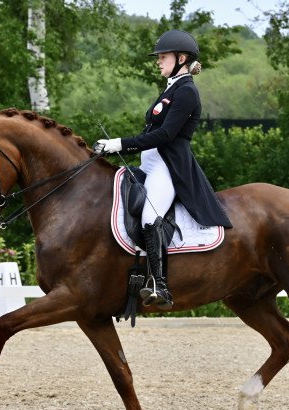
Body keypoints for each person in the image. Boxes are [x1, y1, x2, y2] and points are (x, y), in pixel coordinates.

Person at [94, 29, 232, 310]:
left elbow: (165, 135)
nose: (158, 61)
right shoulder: (171, 88)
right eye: (158, 57)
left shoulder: (187, 92)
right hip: (150, 163)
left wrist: (119, 144)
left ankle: (160, 284)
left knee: (149, 215)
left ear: (181, 58)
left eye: (163, 57)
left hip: (169, 167)